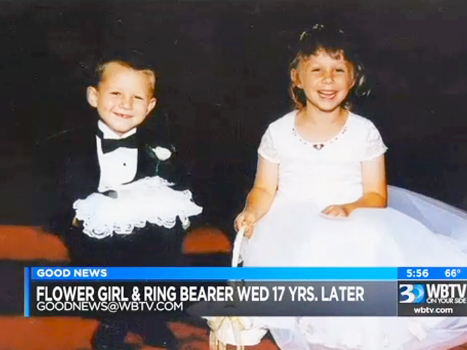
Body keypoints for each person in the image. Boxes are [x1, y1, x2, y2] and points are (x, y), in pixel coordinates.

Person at [234, 25, 467, 350]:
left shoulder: (363, 131)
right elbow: (263, 189)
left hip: (353, 214)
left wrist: (350, 209)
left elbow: (376, 194)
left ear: (354, 78)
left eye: (338, 70)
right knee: (310, 249)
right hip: (290, 224)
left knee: (364, 240)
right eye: (317, 70)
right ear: (297, 78)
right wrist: (252, 212)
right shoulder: (278, 131)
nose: (328, 80)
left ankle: (366, 336)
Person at [33, 51, 202, 349]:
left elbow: (181, 187)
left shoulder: (161, 146)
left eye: (137, 98)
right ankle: (117, 318)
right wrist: (73, 216)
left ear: (150, 107)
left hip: (146, 236)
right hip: (94, 233)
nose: (126, 104)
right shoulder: (67, 145)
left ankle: (147, 315)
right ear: (93, 96)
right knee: (107, 248)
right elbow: (54, 195)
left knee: (163, 236)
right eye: (115, 93)